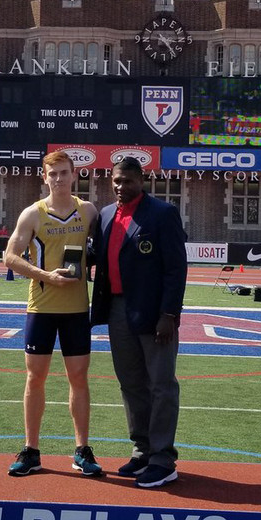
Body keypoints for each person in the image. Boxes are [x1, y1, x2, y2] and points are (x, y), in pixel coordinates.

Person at [90, 157, 188, 488]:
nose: (121, 187)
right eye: (116, 181)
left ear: (141, 180)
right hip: (118, 309)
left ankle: (163, 458)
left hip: (154, 313)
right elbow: (93, 256)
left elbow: (176, 269)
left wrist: (169, 315)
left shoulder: (162, 214)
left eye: (127, 181)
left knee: (161, 384)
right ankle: (142, 448)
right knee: (130, 383)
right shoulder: (104, 215)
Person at [4, 150, 101, 477]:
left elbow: (101, 251)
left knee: (79, 378)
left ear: (74, 175)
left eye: (64, 172)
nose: (58, 178)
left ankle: (82, 450)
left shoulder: (87, 211)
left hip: (76, 308)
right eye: (53, 173)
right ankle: (31, 450)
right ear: (44, 177)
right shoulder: (32, 214)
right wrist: (46, 276)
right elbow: (10, 257)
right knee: (35, 377)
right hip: (42, 307)